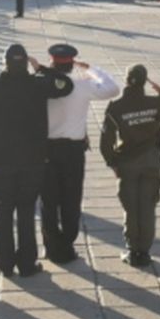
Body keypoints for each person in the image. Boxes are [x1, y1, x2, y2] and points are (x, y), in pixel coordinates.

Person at [0, 44, 73, 278]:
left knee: (4, 213)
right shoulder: (38, 85)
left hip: (2, 160)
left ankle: (5, 264)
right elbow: (66, 86)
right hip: (32, 160)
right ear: (26, 63)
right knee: (26, 212)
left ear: (5, 63)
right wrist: (44, 69)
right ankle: (27, 264)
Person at [41, 44, 120, 265]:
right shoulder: (81, 85)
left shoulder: (42, 86)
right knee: (71, 199)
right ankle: (66, 245)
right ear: (71, 63)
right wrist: (90, 69)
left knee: (48, 201)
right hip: (73, 151)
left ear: (52, 62)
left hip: (47, 150)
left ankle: (50, 246)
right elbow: (113, 88)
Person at [99, 64, 160, 267]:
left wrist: (113, 163)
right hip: (151, 162)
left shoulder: (116, 107)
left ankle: (132, 250)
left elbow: (105, 141)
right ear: (145, 82)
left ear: (126, 80)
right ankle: (144, 251)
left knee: (131, 207)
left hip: (127, 163)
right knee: (147, 207)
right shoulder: (156, 104)